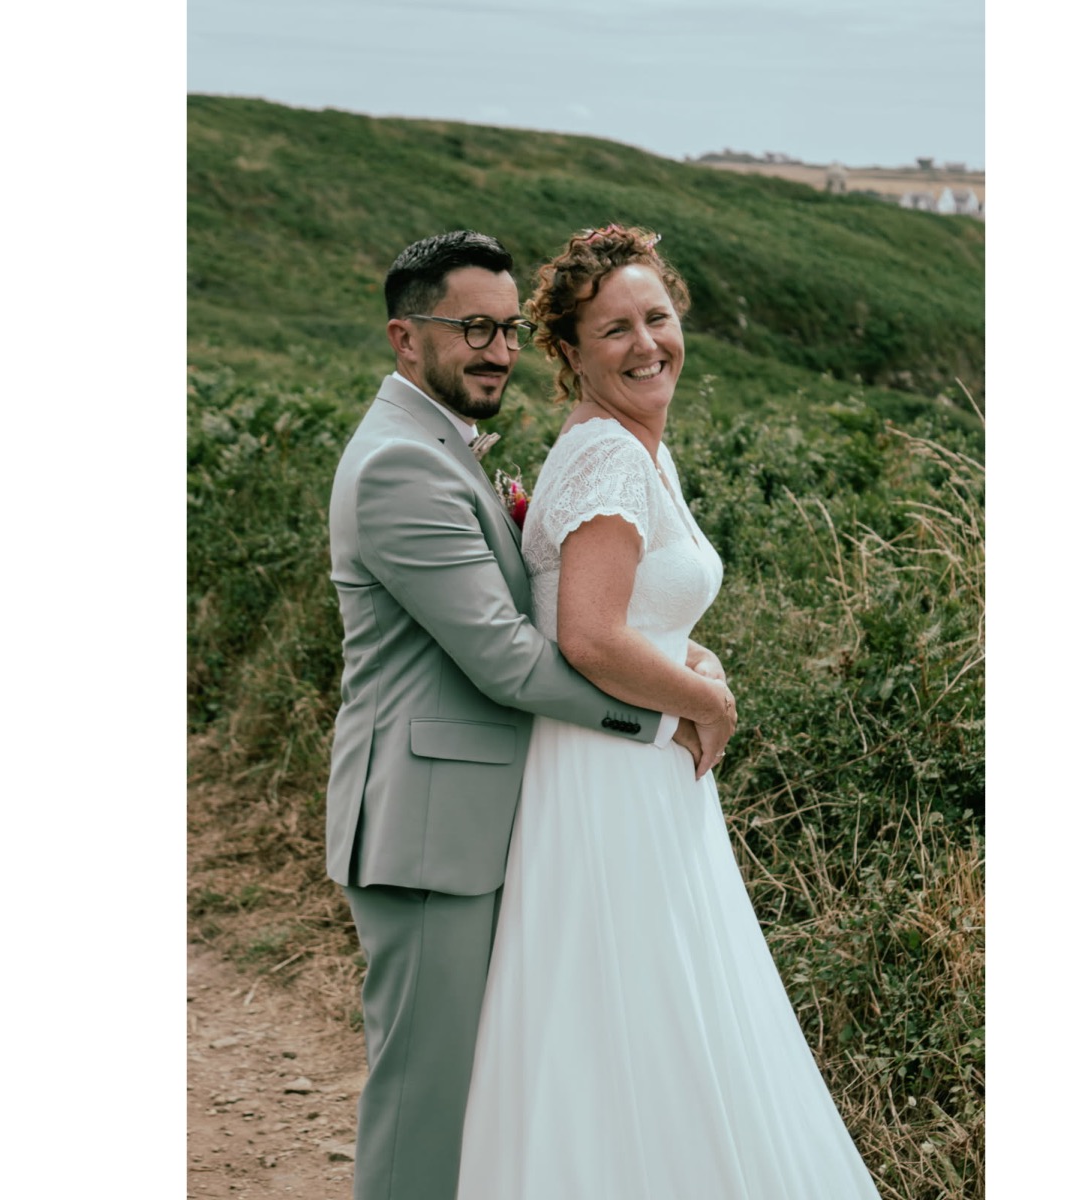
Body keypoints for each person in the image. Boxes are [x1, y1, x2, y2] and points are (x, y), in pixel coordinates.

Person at [456, 225, 882, 1199]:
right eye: (615, 330)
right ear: (569, 354)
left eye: (657, 317)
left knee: (656, 1009)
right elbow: (590, 636)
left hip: (640, 772)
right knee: (635, 1010)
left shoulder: (638, 447)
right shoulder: (607, 457)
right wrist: (708, 701)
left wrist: (684, 652)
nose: (647, 344)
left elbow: (631, 609)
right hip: (610, 776)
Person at [325, 229, 736, 1200]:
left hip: (487, 812)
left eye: (508, 329)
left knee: (492, 1091)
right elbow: (510, 656)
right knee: (425, 1101)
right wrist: (662, 718)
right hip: (430, 827)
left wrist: (672, 655)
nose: (497, 350)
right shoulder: (400, 465)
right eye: (472, 327)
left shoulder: (442, 448)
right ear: (404, 336)